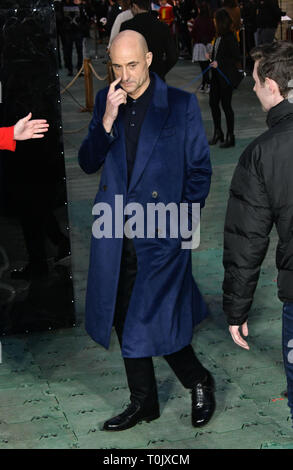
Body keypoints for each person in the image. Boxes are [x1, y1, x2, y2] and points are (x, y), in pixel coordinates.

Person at [78, 29, 215, 431]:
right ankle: (145, 402)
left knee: (158, 319)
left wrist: (180, 228)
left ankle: (198, 380)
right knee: (123, 316)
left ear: (150, 59)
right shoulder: (108, 100)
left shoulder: (180, 105)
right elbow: (88, 162)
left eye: (133, 65)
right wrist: (105, 122)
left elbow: (199, 172)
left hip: (163, 234)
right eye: (117, 67)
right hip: (115, 234)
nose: (126, 75)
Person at [222, 41, 293, 425]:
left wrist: (237, 307)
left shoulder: (262, 154)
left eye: (255, 81)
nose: (251, 89)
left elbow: (247, 239)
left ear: (272, 85)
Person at [208, 8, 241, 148]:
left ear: (220, 22)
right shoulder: (219, 37)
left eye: (215, 20)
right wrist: (211, 56)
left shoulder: (230, 37)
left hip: (225, 77)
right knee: (213, 103)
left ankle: (230, 136)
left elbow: (235, 57)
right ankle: (218, 132)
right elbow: (220, 54)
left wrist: (219, 62)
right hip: (216, 77)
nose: (213, 22)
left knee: (226, 106)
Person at [120, 0, 178, 80]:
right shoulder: (162, 26)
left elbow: (122, 54)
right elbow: (173, 57)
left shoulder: (126, 26)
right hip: (156, 75)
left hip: (134, 77)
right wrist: (161, 71)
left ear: (135, 6)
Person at [191, 1, 215, 93]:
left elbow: (193, 33)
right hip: (209, 45)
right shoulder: (210, 20)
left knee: (203, 67)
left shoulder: (197, 20)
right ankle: (205, 84)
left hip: (200, 46)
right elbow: (213, 32)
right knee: (207, 66)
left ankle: (207, 84)